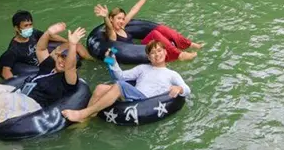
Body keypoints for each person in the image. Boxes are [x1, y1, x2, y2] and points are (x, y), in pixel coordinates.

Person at [62, 40, 190, 122]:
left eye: (159, 51)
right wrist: (110, 60)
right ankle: (87, 120)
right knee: (101, 87)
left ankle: (83, 114)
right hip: (134, 95)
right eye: (152, 53)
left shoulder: (171, 74)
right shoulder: (143, 68)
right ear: (148, 57)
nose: (157, 54)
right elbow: (120, 76)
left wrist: (179, 88)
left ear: (165, 52)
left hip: (146, 102)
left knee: (119, 86)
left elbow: (187, 89)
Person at [94, 0, 203, 62]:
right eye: (118, 18)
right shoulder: (112, 34)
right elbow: (108, 27)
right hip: (135, 52)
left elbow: (135, 9)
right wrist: (105, 17)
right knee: (155, 34)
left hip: (140, 47)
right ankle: (179, 55)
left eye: (123, 18)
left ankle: (189, 44)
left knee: (160, 29)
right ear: (112, 19)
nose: (122, 21)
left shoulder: (122, 26)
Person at [0, 10, 91, 79]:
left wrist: (68, 41)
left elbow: (50, 37)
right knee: (66, 63)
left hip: (46, 56)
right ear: (16, 28)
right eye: (26, 26)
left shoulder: (33, 33)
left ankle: (93, 60)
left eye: (30, 24)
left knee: (76, 45)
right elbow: (5, 71)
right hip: (41, 66)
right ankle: (80, 76)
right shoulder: (13, 49)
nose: (29, 28)